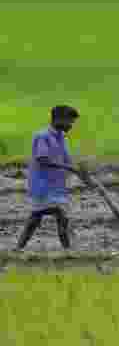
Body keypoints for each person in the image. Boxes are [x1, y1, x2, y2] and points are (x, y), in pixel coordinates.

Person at [15, 105, 81, 251]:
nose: (71, 125)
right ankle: (68, 249)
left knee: (38, 217)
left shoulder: (61, 137)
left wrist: (80, 171)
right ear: (58, 119)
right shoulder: (43, 136)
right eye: (69, 121)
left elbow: (67, 160)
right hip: (42, 185)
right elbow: (42, 159)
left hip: (55, 186)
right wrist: (68, 167)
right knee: (60, 215)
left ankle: (19, 247)